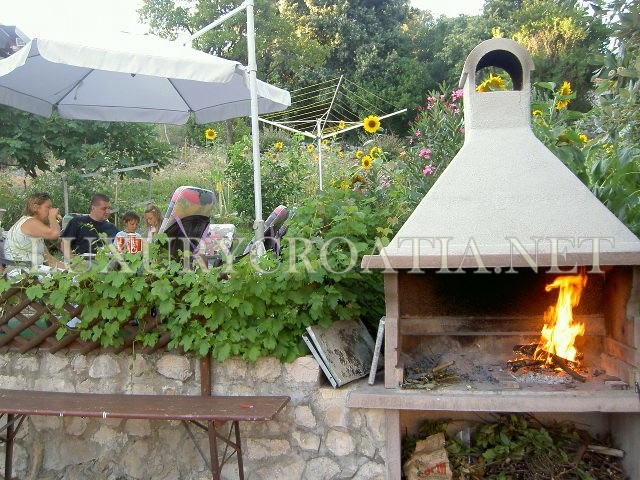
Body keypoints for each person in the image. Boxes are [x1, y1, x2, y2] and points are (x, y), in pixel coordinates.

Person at [4, 192, 66, 273]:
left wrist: (70, 268)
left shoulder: (35, 228)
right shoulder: (30, 222)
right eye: (48, 207)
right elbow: (54, 234)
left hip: (33, 270)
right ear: (35, 207)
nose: (51, 210)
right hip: (22, 273)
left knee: (72, 276)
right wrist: (52, 218)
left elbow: (49, 260)